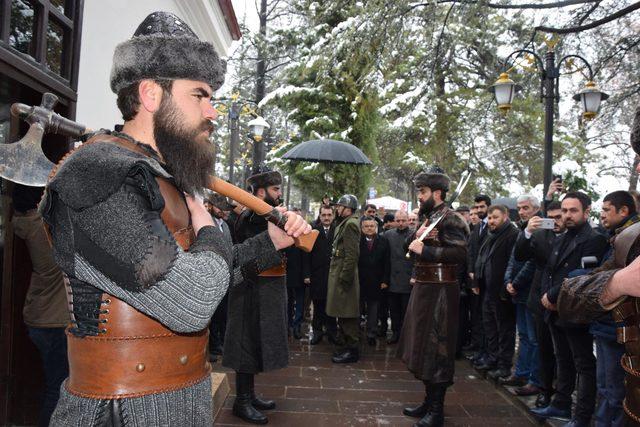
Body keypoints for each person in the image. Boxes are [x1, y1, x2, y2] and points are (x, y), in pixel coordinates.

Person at [41, 11, 310, 426]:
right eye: (199, 95)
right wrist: (205, 222)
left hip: (183, 401)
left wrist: (269, 243)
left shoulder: (159, 174)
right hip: (120, 412)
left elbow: (205, 274)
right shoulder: (97, 175)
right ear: (151, 94)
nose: (213, 112)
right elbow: (194, 301)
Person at [523, 192, 609, 426]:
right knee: (563, 361)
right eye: (565, 210)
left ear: (587, 211)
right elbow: (545, 267)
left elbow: (586, 276)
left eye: (573, 211)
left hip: (575, 311)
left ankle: (581, 416)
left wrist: (553, 294)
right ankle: (561, 404)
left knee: (583, 364)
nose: (567, 215)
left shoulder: (594, 239)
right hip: (555, 311)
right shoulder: (561, 237)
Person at [557, 190, 639, 427]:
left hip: (618, 329)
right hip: (607, 326)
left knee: (613, 391)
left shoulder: (616, 236)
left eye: (606, 210)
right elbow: (599, 274)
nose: (603, 215)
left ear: (624, 211)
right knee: (607, 388)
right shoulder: (620, 236)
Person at [399, 170, 469, 427]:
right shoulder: (430, 217)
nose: (419, 196)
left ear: (436, 193)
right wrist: (416, 231)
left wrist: (426, 250)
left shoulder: (452, 220)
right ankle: (428, 401)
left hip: (442, 290)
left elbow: (459, 254)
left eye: (422, 191)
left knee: (438, 346)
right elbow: (410, 244)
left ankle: (437, 410)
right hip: (425, 286)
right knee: (422, 345)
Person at [225, 165, 294, 424]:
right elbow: (248, 255)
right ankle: (241, 401)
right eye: (275, 189)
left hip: (263, 287)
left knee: (253, 342)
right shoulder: (255, 217)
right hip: (250, 287)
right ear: (261, 192)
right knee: (245, 343)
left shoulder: (262, 215)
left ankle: (249, 395)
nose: (279, 193)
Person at [12, 185, 69, 427]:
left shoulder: (31, 224)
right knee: (58, 389)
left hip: (41, 318)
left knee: (53, 385)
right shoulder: (45, 230)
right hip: (53, 322)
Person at [514, 201, 565, 409]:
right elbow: (520, 255)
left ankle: (562, 395)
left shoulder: (581, 238)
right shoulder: (540, 235)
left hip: (564, 300)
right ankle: (544, 390)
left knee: (563, 353)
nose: (555, 222)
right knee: (543, 347)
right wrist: (526, 231)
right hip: (540, 299)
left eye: (559, 217)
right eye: (550, 218)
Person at [473, 205, 519, 382]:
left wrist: (505, 287)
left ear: (505, 217)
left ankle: (504, 365)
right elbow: (482, 259)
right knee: (490, 327)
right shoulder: (491, 236)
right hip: (488, 289)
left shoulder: (512, 235)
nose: (491, 221)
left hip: (501, 291)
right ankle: (492, 359)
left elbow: (512, 264)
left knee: (504, 330)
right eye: (490, 218)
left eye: (495, 218)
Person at [501, 195, 541, 393]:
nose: (522, 211)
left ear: (535, 209)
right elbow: (514, 257)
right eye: (520, 208)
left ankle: (534, 378)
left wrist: (515, 283)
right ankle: (521, 373)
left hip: (530, 291)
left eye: (526, 208)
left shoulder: (540, 230)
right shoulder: (523, 229)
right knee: (524, 336)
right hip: (517, 291)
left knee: (534, 339)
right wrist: (508, 280)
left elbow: (532, 262)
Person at [327, 194, 361, 363]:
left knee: (347, 314)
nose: (337, 209)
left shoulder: (351, 224)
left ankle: (352, 350)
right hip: (340, 272)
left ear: (348, 208)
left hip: (344, 275)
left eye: (339, 206)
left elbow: (352, 256)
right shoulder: (346, 222)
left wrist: (344, 279)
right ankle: (346, 346)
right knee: (342, 311)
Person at [204, 191, 234, 359]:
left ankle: (220, 342)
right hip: (213, 275)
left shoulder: (226, 226)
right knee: (213, 315)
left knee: (223, 313)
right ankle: (213, 347)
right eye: (222, 208)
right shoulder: (207, 224)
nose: (225, 211)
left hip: (226, 276)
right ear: (213, 207)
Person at [304, 205, 338, 345]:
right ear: (320, 215)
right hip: (317, 275)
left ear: (333, 215)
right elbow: (307, 254)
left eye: (329, 215)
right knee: (317, 306)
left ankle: (331, 332)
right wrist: (307, 274)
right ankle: (317, 332)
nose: (326, 218)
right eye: (324, 215)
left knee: (331, 306)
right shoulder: (313, 230)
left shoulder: (337, 230)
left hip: (333, 275)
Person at [465, 195, 491, 361]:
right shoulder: (477, 228)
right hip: (474, 280)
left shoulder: (493, 228)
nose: (479, 210)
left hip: (488, 280)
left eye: (482, 207)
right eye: (476, 208)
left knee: (487, 319)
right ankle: (478, 349)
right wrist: (471, 271)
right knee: (476, 316)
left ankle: (487, 352)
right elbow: (471, 252)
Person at [358, 216, 390, 345]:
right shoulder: (356, 241)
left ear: (376, 227)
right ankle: (356, 333)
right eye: (366, 226)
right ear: (362, 228)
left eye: (372, 226)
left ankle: (372, 333)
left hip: (377, 281)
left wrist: (385, 280)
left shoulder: (383, 241)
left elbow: (387, 262)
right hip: (359, 281)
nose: (369, 228)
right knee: (357, 309)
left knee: (373, 309)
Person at [384, 210, 414, 344]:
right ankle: (395, 332)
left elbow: (418, 259)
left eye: (403, 220)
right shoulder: (388, 235)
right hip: (392, 278)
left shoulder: (414, 235)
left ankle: (406, 335)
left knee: (406, 309)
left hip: (408, 279)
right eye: (398, 220)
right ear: (395, 221)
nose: (401, 223)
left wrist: (414, 275)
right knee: (393, 309)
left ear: (408, 220)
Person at [285, 207, 307, 340]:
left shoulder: (304, 233)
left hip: (300, 276)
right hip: (286, 275)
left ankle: (297, 326)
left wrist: (306, 275)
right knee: (287, 303)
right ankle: (287, 326)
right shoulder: (283, 232)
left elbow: (306, 257)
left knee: (300, 303)